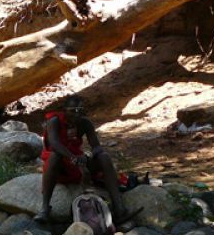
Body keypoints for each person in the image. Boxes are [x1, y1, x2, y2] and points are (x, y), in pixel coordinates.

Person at [35, 95, 142, 224]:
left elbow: (96, 147)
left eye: (80, 111)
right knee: (54, 156)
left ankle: (119, 208)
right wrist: (72, 157)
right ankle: (45, 208)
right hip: (60, 166)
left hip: (77, 163)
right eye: (72, 110)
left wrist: (87, 157)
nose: (76, 114)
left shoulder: (85, 123)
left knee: (104, 157)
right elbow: (55, 144)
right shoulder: (54, 121)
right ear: (64, 110)